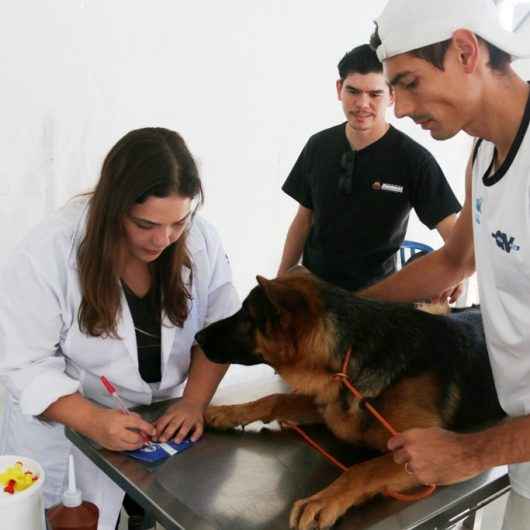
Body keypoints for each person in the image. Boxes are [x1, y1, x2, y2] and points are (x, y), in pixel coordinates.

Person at [0, 127, 240, 530]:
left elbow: (223, 327)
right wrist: (93, 421)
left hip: (158, 424)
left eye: (178, 222)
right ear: (113, 207)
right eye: (145, 224)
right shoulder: (50, 251)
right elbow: (24, 363)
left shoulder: (199, 240)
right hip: (66, 434)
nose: (162, 239)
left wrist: (194, 401)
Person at [361, 0, 530, 527]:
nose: (403, 109)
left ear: (465, 51)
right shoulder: (484, 154)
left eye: (408, 82)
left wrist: (469, 453)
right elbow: (456, 260)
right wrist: (345, 308)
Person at [277, 44, 462, 299]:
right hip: (313, 297)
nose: (362, 104)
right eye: (353, 91)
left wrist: (459, 272)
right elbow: (303, 219)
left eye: (375, 94)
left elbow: (453, 231)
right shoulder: (318, 146)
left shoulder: (413, 159)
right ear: (339, 89)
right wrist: (280, 280)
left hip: (375, 301)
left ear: (392, 96)